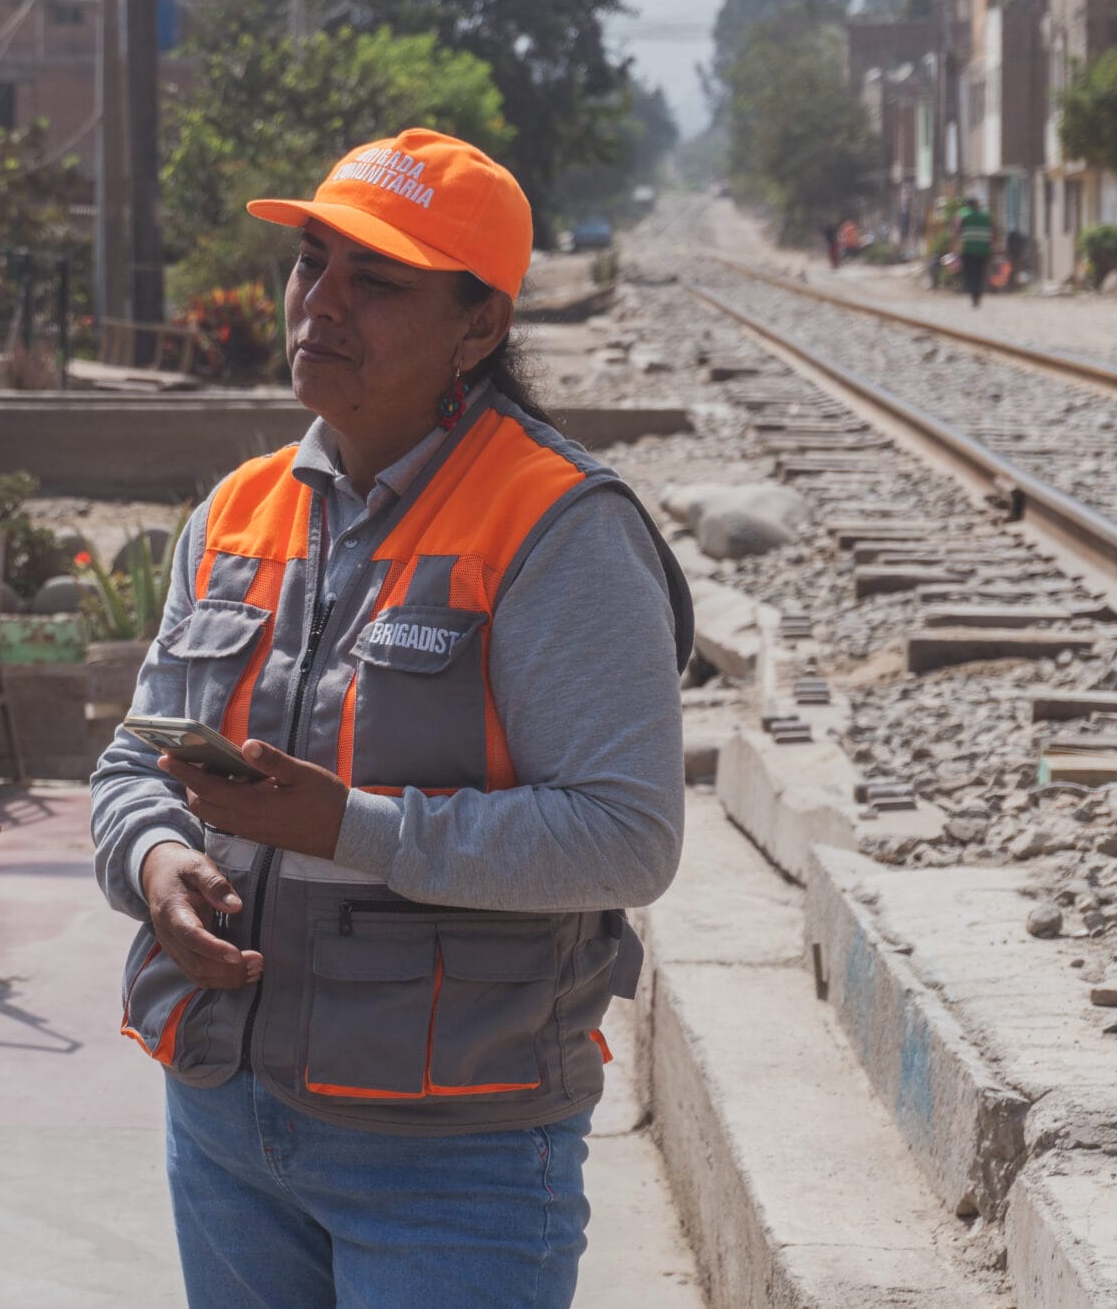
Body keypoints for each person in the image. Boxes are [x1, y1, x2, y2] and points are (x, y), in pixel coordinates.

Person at [90, 129, 692, 1309]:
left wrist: (351, 827)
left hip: (451, 1154)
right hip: (222, 1121)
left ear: (479, 327)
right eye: (311, 263)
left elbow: (627, 837)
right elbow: (133, 756)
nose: (321, 304)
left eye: (377, 281)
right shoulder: (237, 511)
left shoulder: (556, 529)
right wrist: (155, 859)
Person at [956, 193, 995, 307]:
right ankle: (977, 294)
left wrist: (956, 249)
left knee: (970, 274)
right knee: (979, 273)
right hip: (983, 251)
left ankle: (973, 293)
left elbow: (957, 232)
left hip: (968, 251)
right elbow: (994, 232)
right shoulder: (986, 216)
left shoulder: (963, 216)